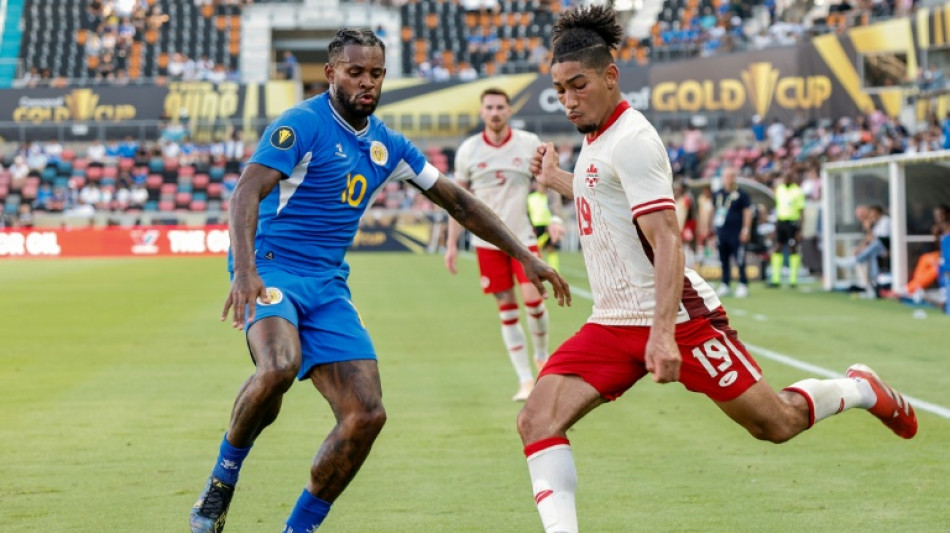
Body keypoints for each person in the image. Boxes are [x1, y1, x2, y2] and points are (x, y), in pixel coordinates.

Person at [517, 7, 917, 533]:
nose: (568, 101)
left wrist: (662, 335)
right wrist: (559, 179)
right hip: (614, 320)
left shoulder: (634, 140)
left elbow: (667, 240)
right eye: (560, 89)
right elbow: (607, 197)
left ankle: (860, 388)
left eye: (578, 86)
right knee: (536, 420)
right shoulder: (596, 138)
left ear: (610, 76)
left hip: (680, 319)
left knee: (774, 424)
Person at [189, 28, 570, 533]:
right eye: (355, 73)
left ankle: (297, 529)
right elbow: (245, 194)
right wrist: (246, 270)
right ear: (331, 74)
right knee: (280, 365)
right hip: (272, 265)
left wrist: (525, 254)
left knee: (367, 415)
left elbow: (457, 201)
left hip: (326, 284)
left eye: (376, 74)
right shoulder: (300, 123)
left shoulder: (388, 145)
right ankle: (220, 485)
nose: (367, 83)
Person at [444, 88, 554, 402]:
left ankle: (543, 358)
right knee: (507, 310)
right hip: (486, 243)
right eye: (489, 107)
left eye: (500, 107)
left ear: (508, 111)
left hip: (524, 239)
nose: (495, 112)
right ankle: (524, 380)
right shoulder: (469, 150)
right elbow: (456, 202)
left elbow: (545, 182)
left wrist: (555, 218)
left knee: (534, 300)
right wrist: (452, 245)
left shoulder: (527, 143)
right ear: (482, 112)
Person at [711, 166, 752, 297]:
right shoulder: (718, 194)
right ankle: (725, 283)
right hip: (722, 232)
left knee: (739, 259)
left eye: (731, 176)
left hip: (736, 232)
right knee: (724, 259)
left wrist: (746, 229)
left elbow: (747, 212)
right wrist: (710, 230)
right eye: (726, 176)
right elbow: (713, 211)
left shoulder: (741, 194)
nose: (728, 179)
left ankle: (743, 284)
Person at [837, 204, 890, 298]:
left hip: (886, 248)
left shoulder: (885, 221)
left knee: (873, 248)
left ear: (878, 213)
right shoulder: (875, 224)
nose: (872, 217)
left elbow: (880, 240)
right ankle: (871, 285)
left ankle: (855, 260)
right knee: (871, 255)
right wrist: (860, 249)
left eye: (873, 215)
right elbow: (868, 239)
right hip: (877, 250)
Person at [768, 171, 805, 288]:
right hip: (781, 222)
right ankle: (775, 279)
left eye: (789, 176)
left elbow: (801, 210)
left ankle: (793, 279)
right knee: (778, 247)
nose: (787, 178)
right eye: (785, 176)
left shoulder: (797, 191)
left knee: (792, 249)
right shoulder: (779, 189)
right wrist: (775, 225)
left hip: (792, 223)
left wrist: (800, 229)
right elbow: (777, 207)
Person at [527, 179, 564, 273]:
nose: (541, 187)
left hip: (549, 227)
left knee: (551, 249)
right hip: (536, 227)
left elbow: (555, 210)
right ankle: (535, 270)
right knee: (534, 250)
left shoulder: (550, 198)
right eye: (540, 184)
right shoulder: (531, 198)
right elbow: (528, 213)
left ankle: (554, 271)